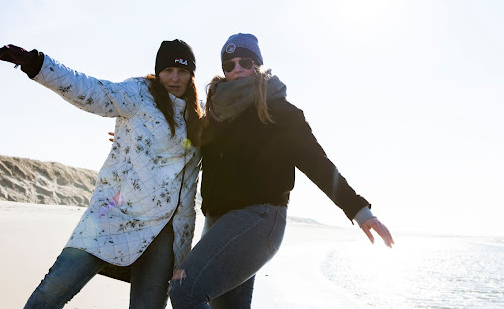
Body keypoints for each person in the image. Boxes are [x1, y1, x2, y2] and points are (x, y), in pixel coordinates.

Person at [168, 33, 394, 308]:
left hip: (259, 218)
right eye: (229, 65)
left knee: (184, 289)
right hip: (217, 222)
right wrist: (134, 137)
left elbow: (318, 163)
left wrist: (359, 210)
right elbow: (189, 142)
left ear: (258, 64)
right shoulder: (215, 112)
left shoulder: (278, 111)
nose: (237, 69)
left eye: (245, 61)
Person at [0, 40, 202, 309]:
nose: (175, 78)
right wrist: (36, 64)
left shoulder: (198, 117)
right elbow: (91, 91)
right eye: (167, 70)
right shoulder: (139, 94)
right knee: (53, 291)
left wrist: (182, 250)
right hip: (111, 215)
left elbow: (189, 188)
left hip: (162, 233)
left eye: (182, 71)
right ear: (157, 72)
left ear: (192, 74)